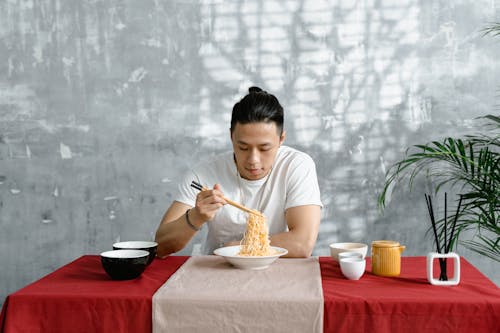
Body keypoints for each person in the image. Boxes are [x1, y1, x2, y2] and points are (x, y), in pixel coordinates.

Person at [155, 87, 322, 258]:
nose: (253, 160)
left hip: (276, 268)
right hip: (216, 270)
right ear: (231, 137)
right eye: (243, 147)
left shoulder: (296, 165)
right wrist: (196, 216)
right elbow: (160, 246)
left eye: (265, 148)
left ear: (281, 140)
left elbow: (302, 244)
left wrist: (234, 248)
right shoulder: (204, 174)